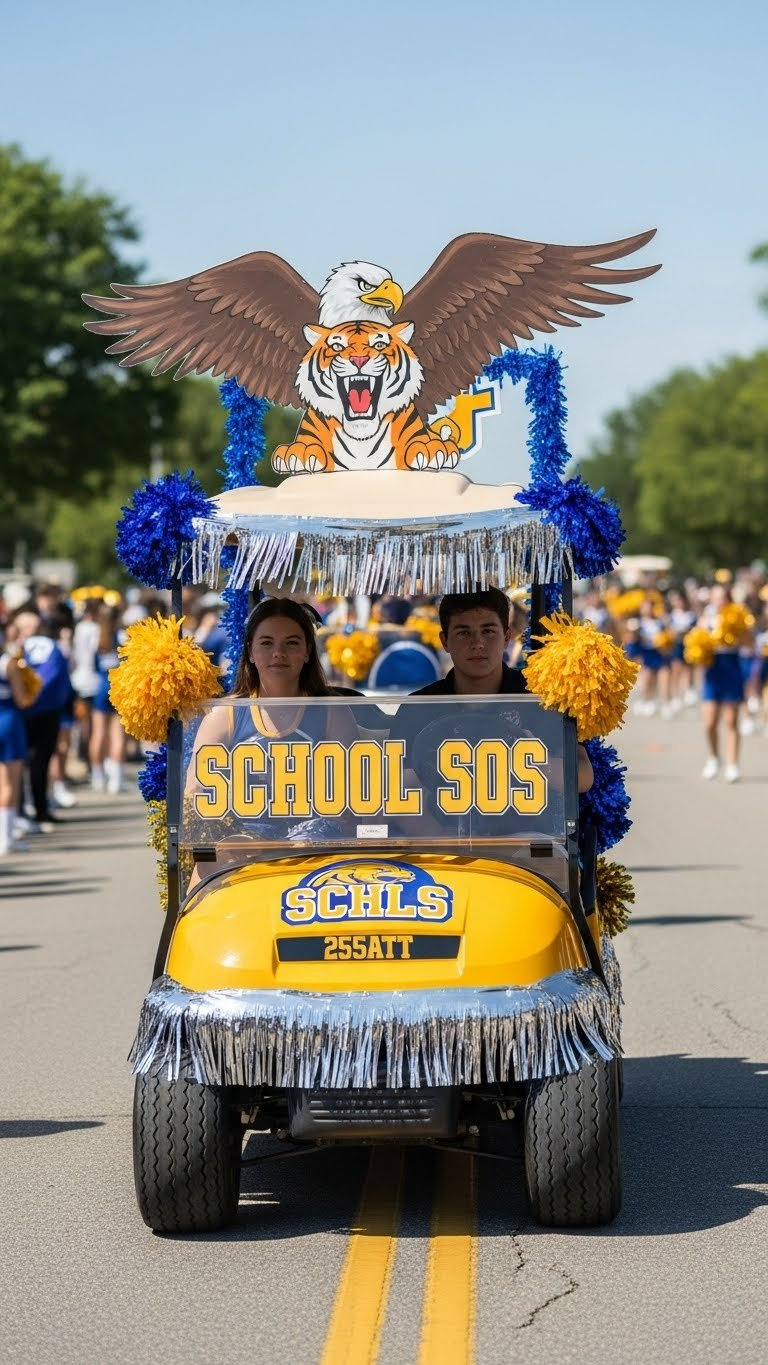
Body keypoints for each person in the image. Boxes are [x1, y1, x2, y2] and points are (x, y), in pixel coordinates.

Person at [409, 588, 593, 793]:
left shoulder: (540, 698)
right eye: (464, 633)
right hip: (442, 824)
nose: (477, 643)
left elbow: (583, 776)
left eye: (488, 631)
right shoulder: (418, 707)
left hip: (529, 824)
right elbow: (393, 785)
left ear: (506, 637)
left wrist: (534, 760)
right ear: (445, 641)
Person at [698, 583, 752, 783]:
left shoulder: (738, 615)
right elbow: (696, 640)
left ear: (728, 599)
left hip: (731, 667)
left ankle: (732, 764)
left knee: (731, 721)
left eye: (723, 597)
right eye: (716, 596)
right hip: (712, 670)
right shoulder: (706, 616)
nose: (719, 600)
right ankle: (713, 758)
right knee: (710, 723)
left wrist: (741, 631)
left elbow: (749, 643)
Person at [0, 642, 35, 855]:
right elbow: (22, 700)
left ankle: (7, 835)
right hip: (8, 721)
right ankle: (6, 838)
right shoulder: (9, 663)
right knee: (10, 783)